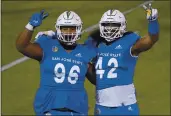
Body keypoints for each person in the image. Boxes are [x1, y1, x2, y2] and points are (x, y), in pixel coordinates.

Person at [37, 3, 159, 115]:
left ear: (122, 27)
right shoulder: (94, 44)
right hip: (102, 106)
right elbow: (72, 47)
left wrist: (153, 22)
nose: (110, 29)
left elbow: (150, 40)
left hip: (125, 105)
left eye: (114, 25)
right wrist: (54, 35)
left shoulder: (129, 43)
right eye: (107, 25)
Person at [16, 10, 96, 115]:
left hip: (76, 109)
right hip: (50, 108)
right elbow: (22, 46)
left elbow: (97, 79)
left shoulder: (85, 51)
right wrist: (30, 26)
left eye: (72, 29)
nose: (68, 32)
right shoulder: (48, 46)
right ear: (58, 29)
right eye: (64, 29)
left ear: (79, 29)